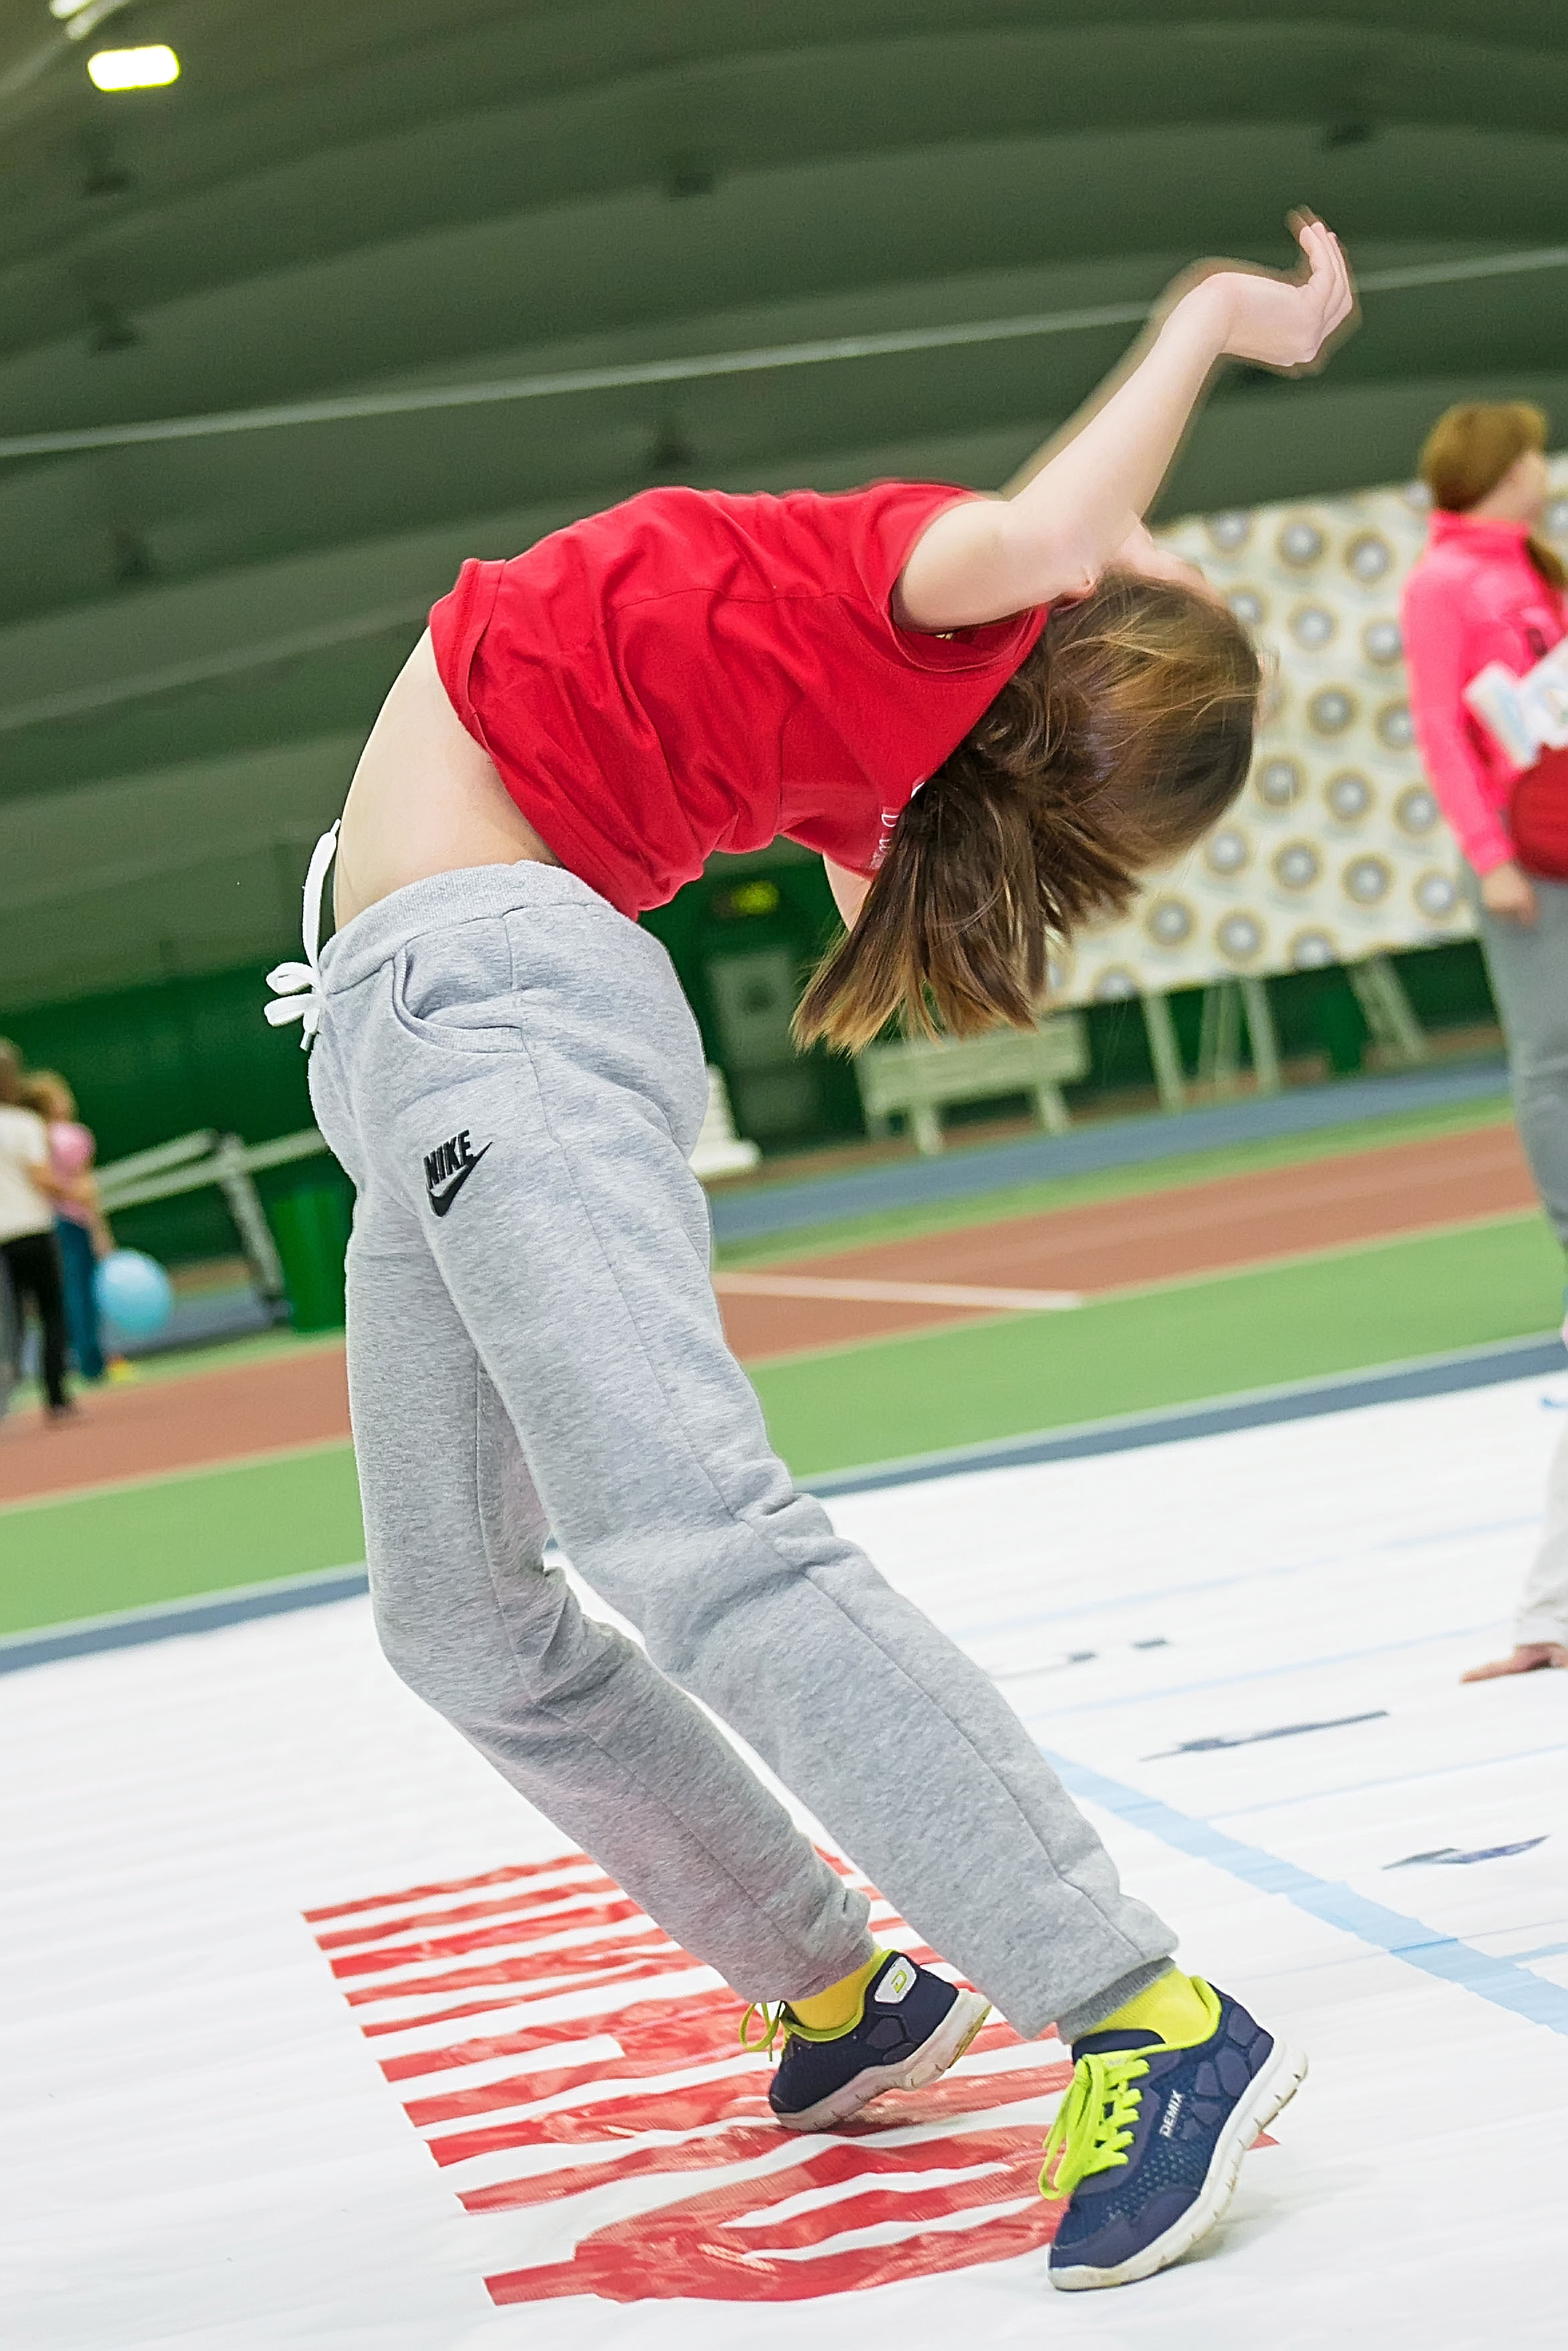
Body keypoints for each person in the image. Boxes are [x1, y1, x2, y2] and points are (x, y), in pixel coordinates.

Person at [268, 215, 1352, 2292]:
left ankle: (1142, 2010)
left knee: (694, 1533)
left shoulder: (928, 594)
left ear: (1065, 614)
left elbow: (1065, 521)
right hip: (409, 1038)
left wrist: (1220, 318)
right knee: (457, 1617)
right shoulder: (882, 736)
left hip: (487, 1011)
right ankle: (843, 1987)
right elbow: (1039, 631)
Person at [1401, 405, 1568, 1682]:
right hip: (1527, 853)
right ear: (1499, 469)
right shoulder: (1444, 581)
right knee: (1551, 1051)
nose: (1544, 469)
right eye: (1533, 454)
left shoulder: (1533, 567)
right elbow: (1440, 728)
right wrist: (1485, 852)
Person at [21, 1071, 115, 1386]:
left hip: (45, 1224)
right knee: (81, 1291)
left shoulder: (32, 1137)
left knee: (63, 1294)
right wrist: (99, 1229)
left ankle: (74, 1357)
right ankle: (91, 1361)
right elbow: (85, 1187)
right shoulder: (71, 1136)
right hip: (71, 1222)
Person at [0, 1040, 75, 1418]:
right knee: (52, 1312)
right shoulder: (24, 1125)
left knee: (8, 1321)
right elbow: (41, 1177)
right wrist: (76, 1191)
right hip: (32, 1230)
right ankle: (56, 1396)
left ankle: (5, 1394)